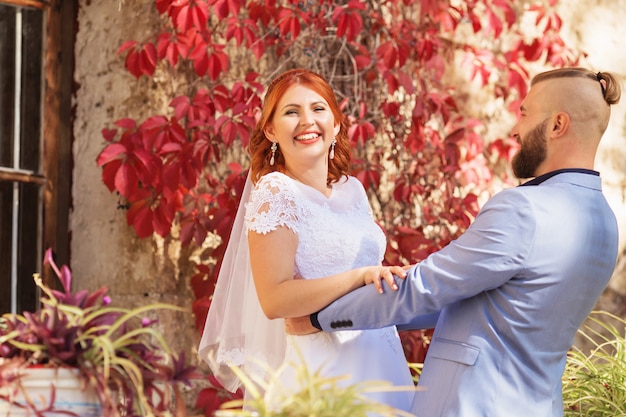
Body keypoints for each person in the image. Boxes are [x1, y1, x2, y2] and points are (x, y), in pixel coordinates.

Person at [285, 67, 622, 417]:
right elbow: (464, 298)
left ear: (557, 125)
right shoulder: (606, 224)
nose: (515, 129)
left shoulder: (524, 210)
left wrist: (321, 317)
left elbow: (426, 287)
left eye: (524, 113)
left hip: (474, 405)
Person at [198, 68, 415, 413]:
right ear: (270, 130)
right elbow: (274, 299)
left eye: (318, 109)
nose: (307, 121)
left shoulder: (353, 190)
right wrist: (358, 277)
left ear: (336, 124)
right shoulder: (276, 192)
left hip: (381, 359)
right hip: (322, 370)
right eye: (291, 112)